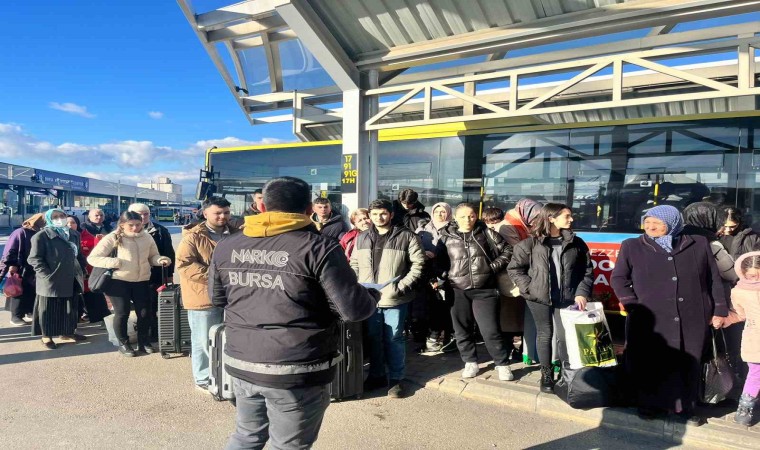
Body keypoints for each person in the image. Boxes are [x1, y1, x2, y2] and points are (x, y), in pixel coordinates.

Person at [209, 176, 378, 449]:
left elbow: (217, 299)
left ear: (262, 207)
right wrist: (372, 294)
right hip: (295, 367)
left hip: (242, 360)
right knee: (288, 445)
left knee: (246, 436)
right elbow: (353, 310)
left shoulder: (228, 245)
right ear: (309, 208)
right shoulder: (318, 247)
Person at [610, 205, 728, 423]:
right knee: (650, 361)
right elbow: (619, 278)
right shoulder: (632, 246)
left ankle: (684, 408)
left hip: (692, 315)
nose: (650, 227)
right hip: (649, 317)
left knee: (689, 361)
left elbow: (713, 279)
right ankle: (649, 404)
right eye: (647, 222)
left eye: (657, 223)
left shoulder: (698, 243)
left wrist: (720, 309)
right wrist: (632, 304)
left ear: (673, 223)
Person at [507, 203, 594, 393]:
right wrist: (529, 288)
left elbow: (586, 271)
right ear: (551, 218)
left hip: (567, 297)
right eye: (567, 216)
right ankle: (546, 374)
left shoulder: (576, 243)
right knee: (545, 334)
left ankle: (566, 373)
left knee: (564, 337)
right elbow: (514, 269)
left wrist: (581, 293)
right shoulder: (530, 243)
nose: (571, 219)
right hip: (538, 297)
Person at [351, 198, 425, 398]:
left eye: (383, 213)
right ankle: (376, 375)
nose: (378, 217)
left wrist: (400, 287)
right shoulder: (362, 237)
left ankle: (396, 379)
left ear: (391, 215)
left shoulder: (406, 236)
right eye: (374, 214)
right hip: (370, 298)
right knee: (374, 338)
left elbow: (418, 264)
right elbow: (354, 264)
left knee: (394, 338)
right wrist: (357, 286)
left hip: (394, 298)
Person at [436, 203, 514, 381]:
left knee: (490, 330)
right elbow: (439, 261)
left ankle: (502, 363)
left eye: (471, 216)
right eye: (463, 216)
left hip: (485, 289)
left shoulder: (486, 232)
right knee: (462, 329)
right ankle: (470, 362)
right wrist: (444, 275)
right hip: (457, 289)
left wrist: (492, 267)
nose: (468, 220)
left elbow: (508, 250)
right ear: (455, 217)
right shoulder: (446, 236)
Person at [88, 211, 172, 357]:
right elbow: (93, 258)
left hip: (142, 280)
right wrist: (114, 262)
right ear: (122, 225)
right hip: (118, 281)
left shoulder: (147, 237)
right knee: (122, 313)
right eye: (131, 225)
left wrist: (160, 260)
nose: (135, 228)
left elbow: (153, 256)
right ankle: (123, 343)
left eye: (138, 224)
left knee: (145, 313)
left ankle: (143, 341)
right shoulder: (113, 237)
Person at [176, 197, 238, 393]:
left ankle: (223, 375)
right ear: (205, 214)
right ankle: (202, 378)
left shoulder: (237, 233)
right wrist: (216, 278)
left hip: (232, 296)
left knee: (227, 338)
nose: (223, 216)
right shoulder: (193, 237)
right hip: (203, 297)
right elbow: (185, 265)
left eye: (226, 212)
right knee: (203, 340)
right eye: (217, 213)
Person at [27, 209, 88, 349]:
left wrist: (83, 268)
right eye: (55, 217)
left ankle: (67, 332)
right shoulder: (41, 236)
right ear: (48, 219)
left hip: (71, 276)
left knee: (69, 307)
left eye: (62, 216)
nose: (60, 219)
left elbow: (78, 255)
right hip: (50, 279)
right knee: (49, 309)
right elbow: (34, 259)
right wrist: (47, 275)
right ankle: (46, 337)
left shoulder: (73, 234)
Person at [127, 203, 175, 348]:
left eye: (145, 214)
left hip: (154, 275)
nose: (142, 217)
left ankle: (154, 333)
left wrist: (169, 275)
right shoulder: (122, 232)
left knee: (153, 306)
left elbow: (168, 253)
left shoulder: (160, 231)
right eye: (139, 214)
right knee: (137, 307)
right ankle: (137, 334)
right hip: (131, 276)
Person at [723, 251, 760, 426]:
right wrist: (725, 319)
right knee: (755, 373)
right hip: (755, 337)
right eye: (752, 276)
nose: (756, 279)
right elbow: (740, 314)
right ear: (743, 273)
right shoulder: (739, 291)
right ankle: (744, 410)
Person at [416, 202, 455, 352]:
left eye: (443, 211)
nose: (440, 214)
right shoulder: (422, 229)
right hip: (426, 273)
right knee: (429, 307)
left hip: (448, 272)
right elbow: (413, 247)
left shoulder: (454, 229)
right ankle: (431, 337)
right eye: (437, 211)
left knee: (446, 308)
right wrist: (423, 252)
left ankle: (447, 338)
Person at [0, 213, 45, 326]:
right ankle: (16, 316)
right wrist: (12, 263)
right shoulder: (20, 232)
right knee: (18, 291)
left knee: (31, 292)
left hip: (34, 268)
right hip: (21, 267)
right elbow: (11, 249)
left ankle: (29, 312)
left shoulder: (39, 232)